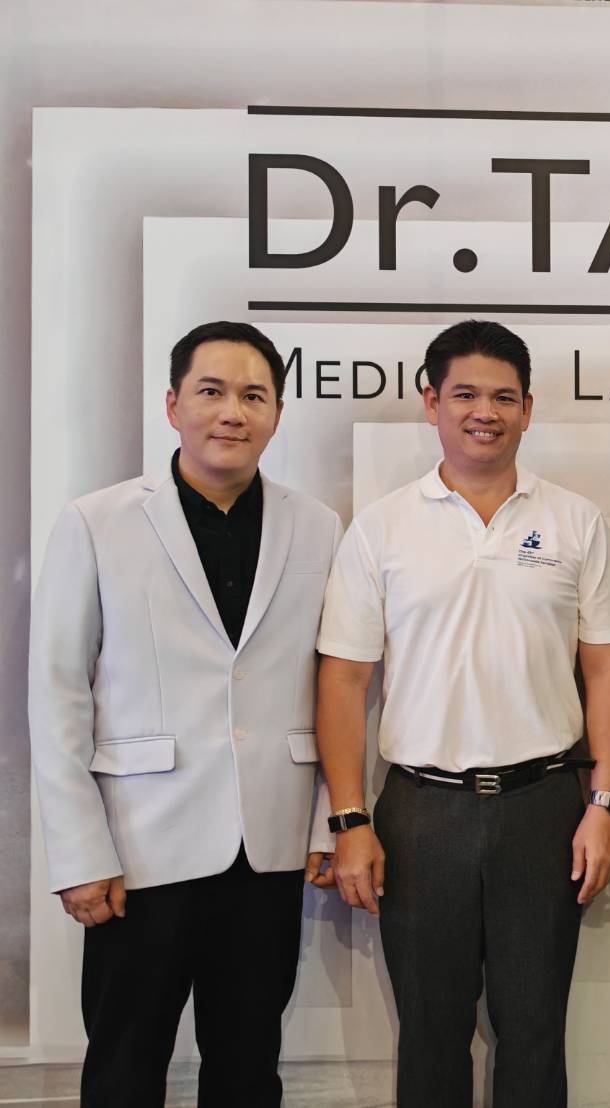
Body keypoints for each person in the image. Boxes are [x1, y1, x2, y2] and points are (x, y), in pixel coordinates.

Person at [315, 319, 610, 1108]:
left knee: (534, 1034)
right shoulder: (382, 527)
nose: (483, 412)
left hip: (544, 809)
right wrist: (349, 819)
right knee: (429, 1035)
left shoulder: (574, 521)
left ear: (527, 408)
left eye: (502, 397)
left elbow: (606, 668)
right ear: (431, 402)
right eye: (464, 395)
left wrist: (603, 805)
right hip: (421, 812)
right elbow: (344, 681)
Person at [29, 321, 341, 1108]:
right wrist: (78, 852)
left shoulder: (317, 525)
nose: (232, 412)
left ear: (277, 414)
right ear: (173, 405)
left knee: (248, 1067)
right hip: (139, 849)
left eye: (253, 396)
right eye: (211, 391)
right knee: (124, 1069)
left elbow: (334, 686)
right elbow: (59, 693)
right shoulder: (96, 521)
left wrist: (324, 822)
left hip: (267, 846)